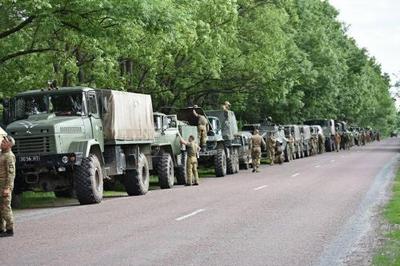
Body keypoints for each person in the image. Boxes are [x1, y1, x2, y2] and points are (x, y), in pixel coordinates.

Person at [0, 136, 16, 237]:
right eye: (2, 141)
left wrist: (8, 188)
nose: (1, 143)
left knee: (5, 208)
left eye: (4, 142)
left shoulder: (9, 156)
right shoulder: (1, 154)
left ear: (9, 144)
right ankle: (1, 229)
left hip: (4, 185)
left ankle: (10, 229)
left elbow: (11, 173)